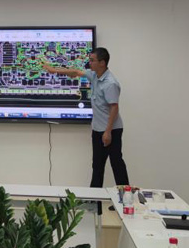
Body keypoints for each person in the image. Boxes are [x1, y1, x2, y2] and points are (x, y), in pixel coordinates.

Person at [43, 47, 129, 188]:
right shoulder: (94, 75)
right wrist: (53, 70)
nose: (89, 63)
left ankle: (125, 196)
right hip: (98, 129)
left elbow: (114, 108)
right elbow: (75, 72)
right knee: (97, 165)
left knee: (116, 163)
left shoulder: (110, 83)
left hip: (111, 130)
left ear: (102, 63)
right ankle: (94, 197)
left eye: (92, 60)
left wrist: (108, 132)